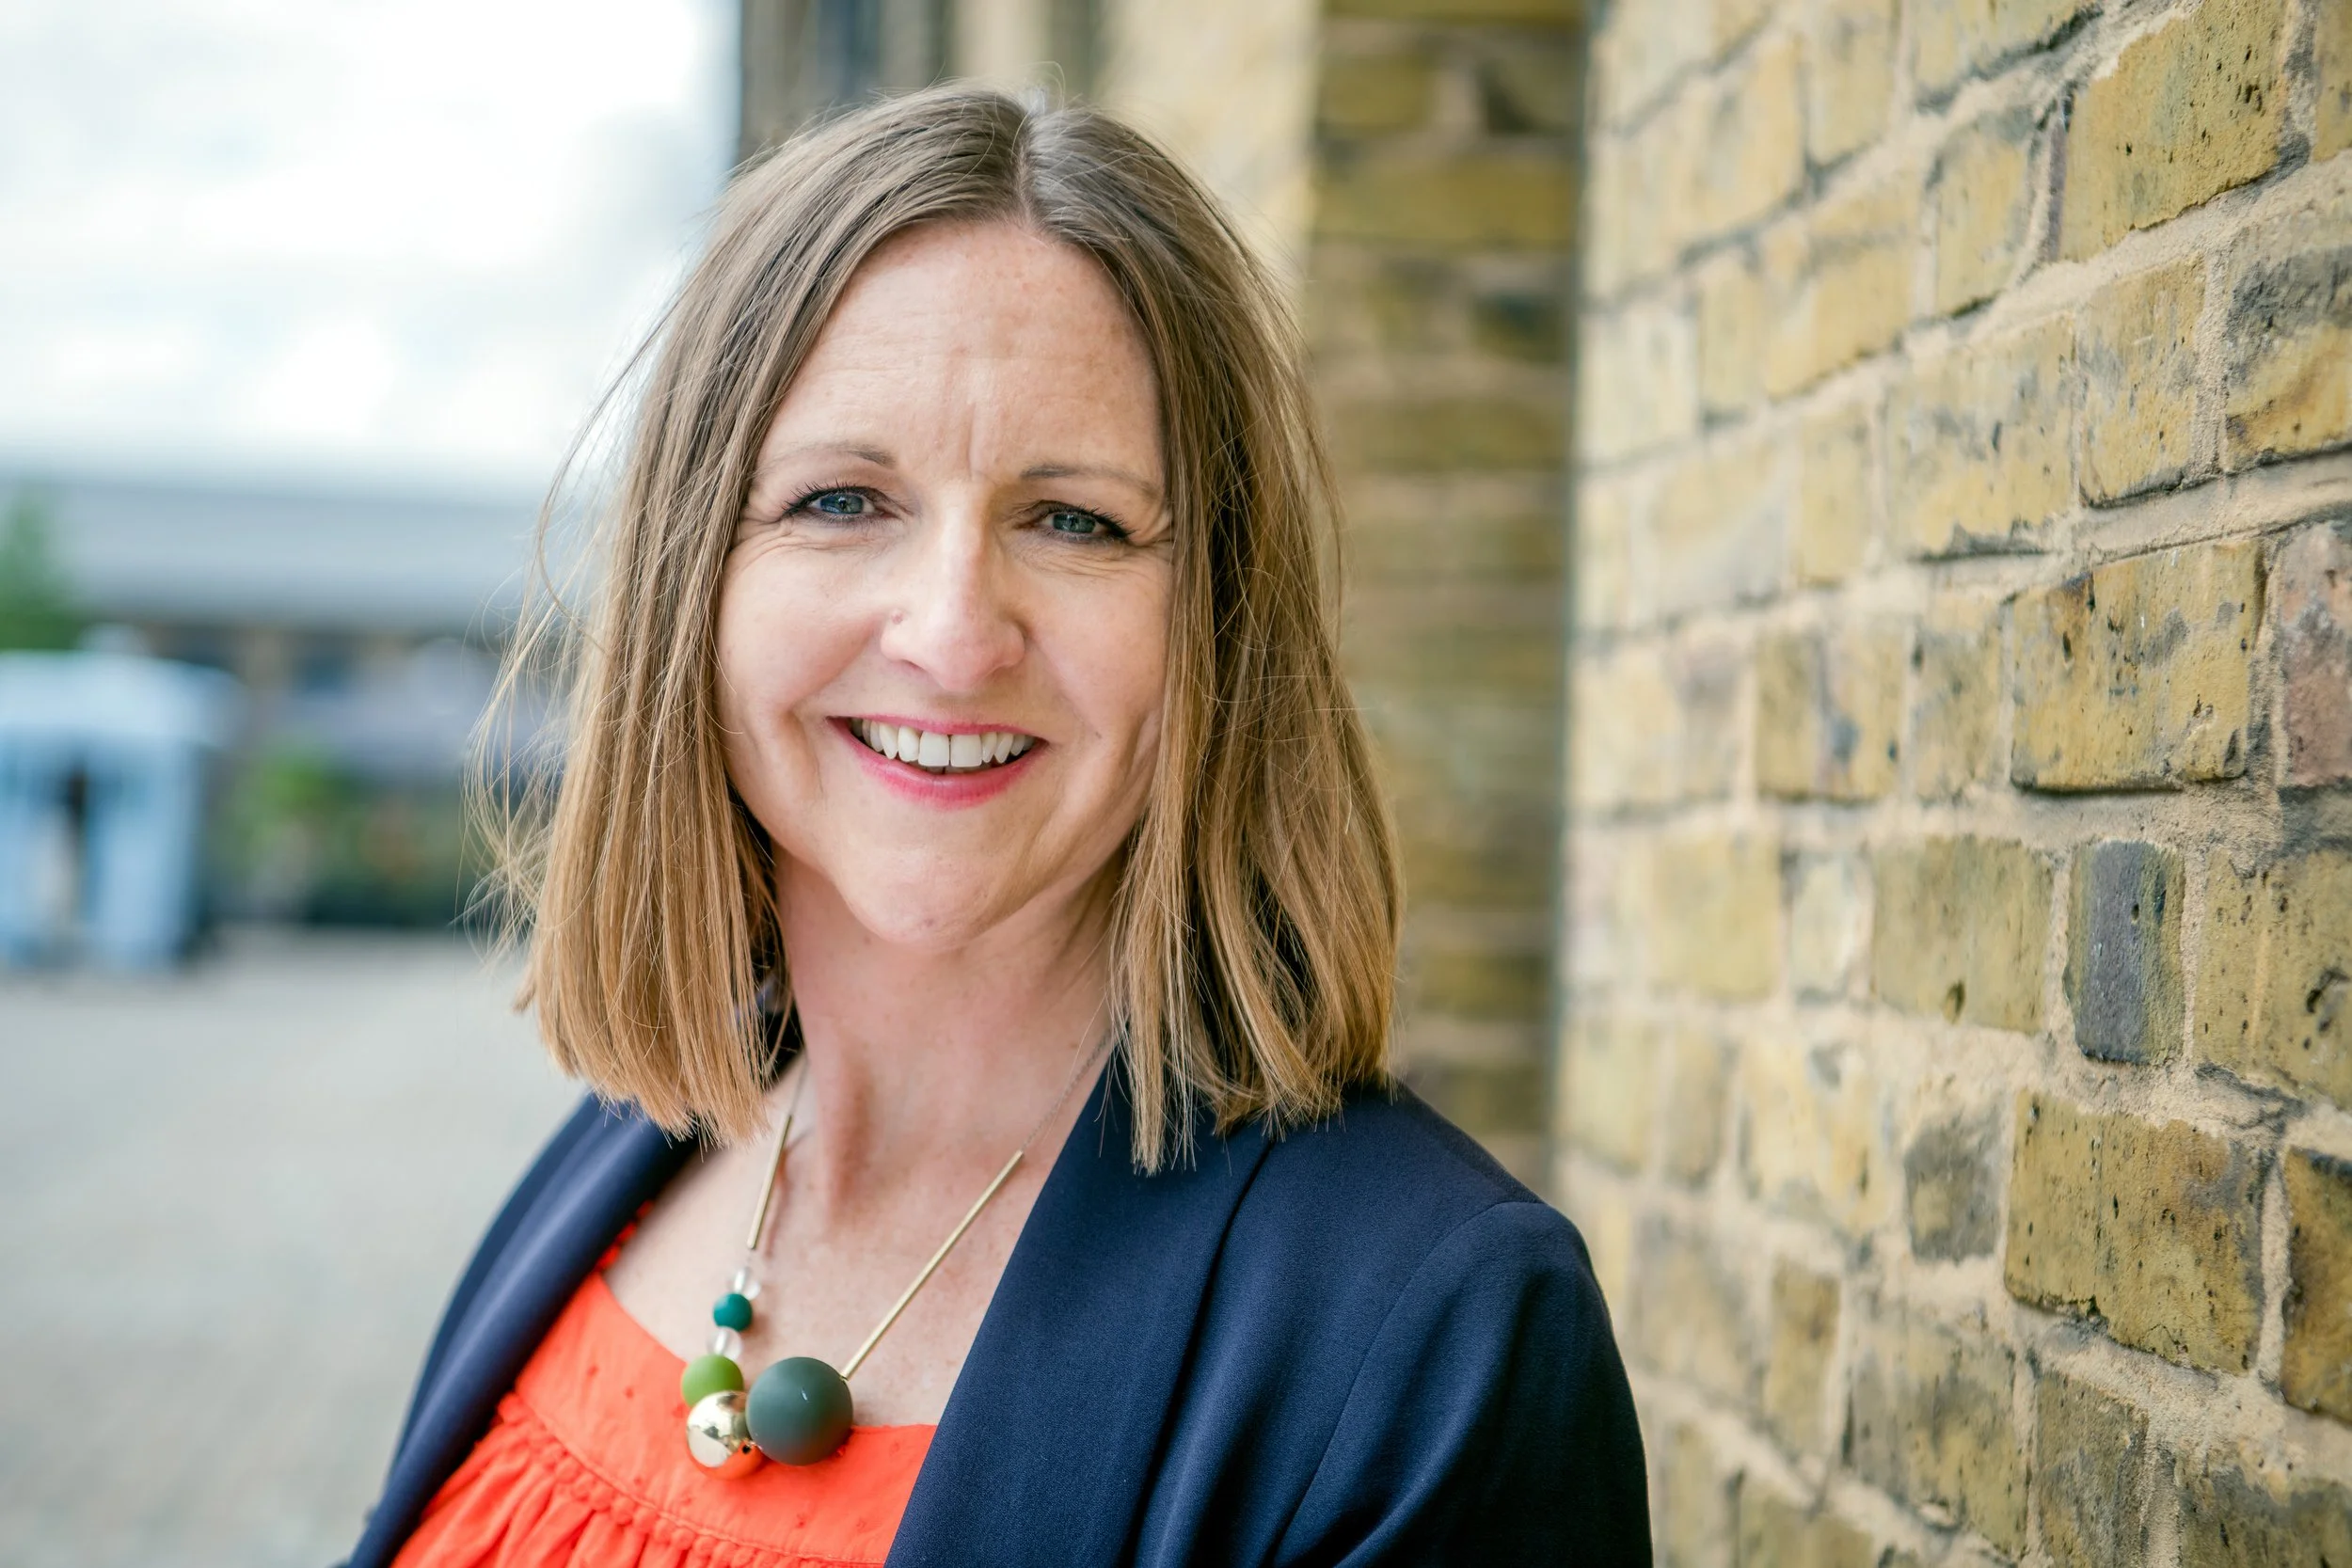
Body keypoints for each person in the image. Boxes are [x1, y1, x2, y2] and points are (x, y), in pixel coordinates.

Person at [347, 85, 1647, 1568]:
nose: (956, 633)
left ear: (1213, 623)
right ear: (691, 584)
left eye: (1075, 520)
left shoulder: (1436, 1337)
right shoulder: (627, 1156)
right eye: (843, 500)